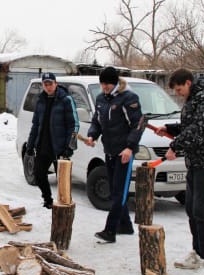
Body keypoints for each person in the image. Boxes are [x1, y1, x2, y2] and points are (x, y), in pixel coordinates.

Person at [156, 68, 204, 275]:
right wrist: (169, 128)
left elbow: (200, 129)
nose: (178, 94)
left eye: (179, 89)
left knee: (202, 211)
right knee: (191, 208)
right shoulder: (195, 97)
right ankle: (197, 253)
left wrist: (175, 146)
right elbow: (190, 125)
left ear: (188, 82)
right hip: (196, 161)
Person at [85, 66, 143, 243]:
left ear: (115, 82)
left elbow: (138, 124)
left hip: (124, 152)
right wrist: (92, 135)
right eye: (102, 84)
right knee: (115, 189)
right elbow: (97, 121)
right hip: (109, 150)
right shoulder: (101, 99)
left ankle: (110, 230)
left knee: (120, 192)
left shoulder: (129, 98)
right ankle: (125, 225)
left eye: (108, 84)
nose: (105, 87)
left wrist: (130, 147)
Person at [26, 72, 79, 209]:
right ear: (43, 85)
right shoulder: (40, 101)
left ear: (56, 84)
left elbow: (74, 125)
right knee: (38, 175)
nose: (48, 87)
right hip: (43, 146)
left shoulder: (66, 99)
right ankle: (48, 200)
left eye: (50, 84)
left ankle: (64, 206)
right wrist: (30, 145)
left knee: (63, 180)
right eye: (46, 84)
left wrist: (69, 146)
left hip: (60, 147)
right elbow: (35, 125)